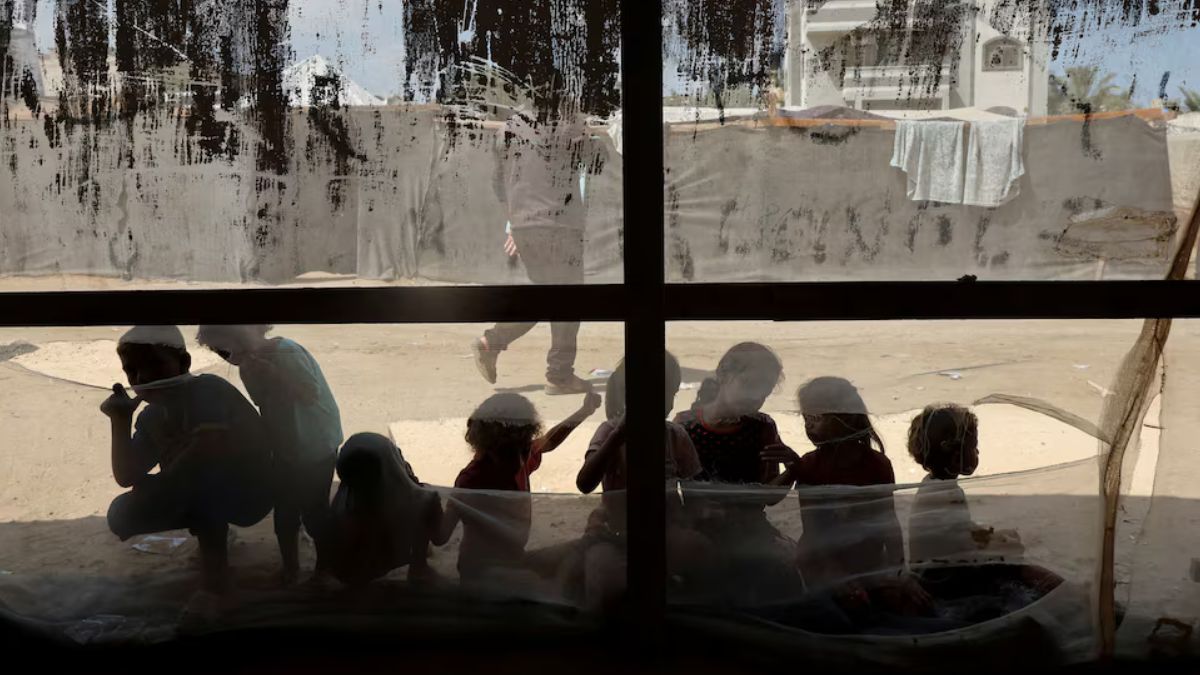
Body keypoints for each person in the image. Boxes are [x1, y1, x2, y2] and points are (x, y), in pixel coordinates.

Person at [102, 326, 272, 601]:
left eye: (155, 365)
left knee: (204, 482)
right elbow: (126, 475)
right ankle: (213, 538)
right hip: (202, 489)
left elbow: (207, 450)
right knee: (122, 514)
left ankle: (216, 586)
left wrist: (156, 486)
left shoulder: (207, 390)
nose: (142, 377)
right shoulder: (152, 417)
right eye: (131, 371)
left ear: (184, 363)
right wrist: (120, 422)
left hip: (253, 492)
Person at [470, 76, 607, 395]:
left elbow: (498, 184)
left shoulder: (508, 128)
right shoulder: (568, 123)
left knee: (548, 297)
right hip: (559, 227)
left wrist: (517, 223)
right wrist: (592, 137)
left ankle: (492, 342)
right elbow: (597, 163)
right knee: (569, 301)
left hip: (524, 226)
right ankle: (559, 376)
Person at [197, 325, 343, 586]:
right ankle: (291, 568)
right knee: (285, 511)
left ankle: (324, 567)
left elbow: (309, 393)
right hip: (285, 447)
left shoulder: (287, 351)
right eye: (219, 352)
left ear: (243, 335)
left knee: (315, 510)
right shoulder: (245, 368)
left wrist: (273, 374)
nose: (226, 356)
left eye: (226, 347)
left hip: (315, 442)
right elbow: (262, 402)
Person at [573, 353, 710, 610]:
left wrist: (689, 521)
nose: (657, 402)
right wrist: (619, 435)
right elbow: (585, 483)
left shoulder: (675, 435)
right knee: (608, 588)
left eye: (665, 393)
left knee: (701, 558)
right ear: (626, 396)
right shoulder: (608, 431)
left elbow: (695, 489)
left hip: (667, 531)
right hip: (613, 534)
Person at [771, 376, 916, 606]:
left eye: (816, 418)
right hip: (821, 565)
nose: (808, 425)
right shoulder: (808, 465)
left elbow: (887, 522)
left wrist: (898, 569)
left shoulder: (877, 465)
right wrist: (792, 469)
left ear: (845, 417)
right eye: (805, 418)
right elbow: (813, 533)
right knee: (855, 605)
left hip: (867, 562)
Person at [673, 342, 798, 602]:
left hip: (750, 532)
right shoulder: (683, 426)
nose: (756, 398)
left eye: (763, 392)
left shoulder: (762, 426)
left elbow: (768, 495)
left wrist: (794, 468)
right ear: (723, 376)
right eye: (750, 386)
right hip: (700, 533)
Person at [437, 391, 601, 583]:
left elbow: (548, 441)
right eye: (509, 453)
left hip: (516, 560)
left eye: (524, 449)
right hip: (481, 572)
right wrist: (424, 503)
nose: (520, 460)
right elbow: (441, 535)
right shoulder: (471, 480)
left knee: (583, 550)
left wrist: (584, 411)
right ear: (487, 448)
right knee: (532, 581)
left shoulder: (517, 458)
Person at [323, 433, 443, 587]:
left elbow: (341, 569)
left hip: (355, 585)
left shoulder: (344, 506)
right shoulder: (421, 502)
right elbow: (439, 538)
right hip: (387, 583)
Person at [907, 403, 981, 564]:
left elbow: (958, 529)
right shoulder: (946, 495)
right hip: (942, 577)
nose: (977, 452)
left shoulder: (932, 484)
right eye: (974, 447)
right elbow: (961, 546)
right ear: (955, 458)